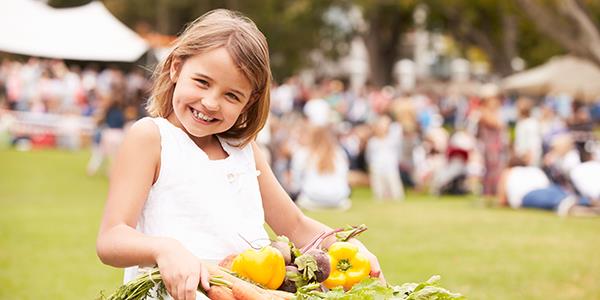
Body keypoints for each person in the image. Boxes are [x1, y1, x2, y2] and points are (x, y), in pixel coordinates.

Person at [95, 10, 382, 300]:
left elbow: (295, 225)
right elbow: (111, 238)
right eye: (202, 82)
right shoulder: (152, 138)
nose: (210, 103)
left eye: (232, 95)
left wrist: (349, 249)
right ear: (176, 68)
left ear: (249, 102)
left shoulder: (243, 150)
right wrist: (164, 248)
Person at [291, 126, 351, 210]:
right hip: (338, 198)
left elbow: (296, 180)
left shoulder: (303, 153)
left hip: (312, 197)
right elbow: (345, 176)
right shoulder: (339, 153)